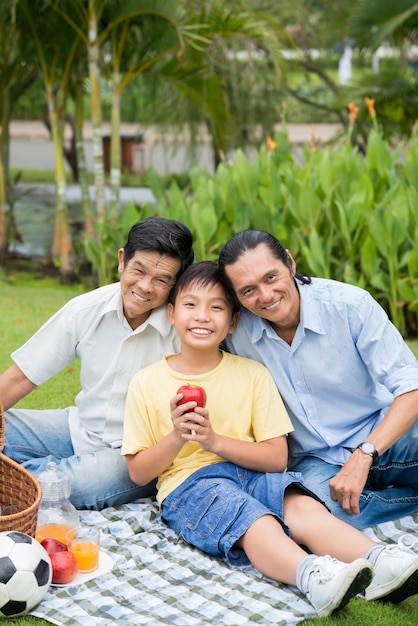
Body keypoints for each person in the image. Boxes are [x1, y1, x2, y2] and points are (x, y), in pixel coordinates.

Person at [122, 261, 418, 618]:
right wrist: (177, 436)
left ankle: (379, 560)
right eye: (190, 305)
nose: (202, 316)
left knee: (303, 506)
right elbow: (139, 474)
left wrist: (214, 440)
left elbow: (277, 459)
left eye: (216, 307)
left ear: (233, 323)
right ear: (171, 313)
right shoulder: (148, 382)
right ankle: (313, 576)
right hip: (191, 484)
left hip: (255, 473)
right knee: (254, 519)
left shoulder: (252, 374)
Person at [218, 229, 418, 529]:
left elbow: (411, 387)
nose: (266, 296)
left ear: (290, 262)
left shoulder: (350, 306)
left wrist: (364, 454)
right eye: (247, 290)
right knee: (318, 518)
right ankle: (400, 505)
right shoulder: (235, 332)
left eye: (271, 277)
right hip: (317, 461)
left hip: (385, 437)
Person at [0, 216, 194, 510]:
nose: (144, 286)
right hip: (78, 427)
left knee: (66, 484)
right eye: (138, 270)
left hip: (139, 455)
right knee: (6, 428)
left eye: (162, 280)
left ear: (177, 283)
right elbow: (19, 379)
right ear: (122, 261)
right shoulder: (84, 309)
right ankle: (31, 474)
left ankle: (29, 479)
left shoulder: (187, 328)